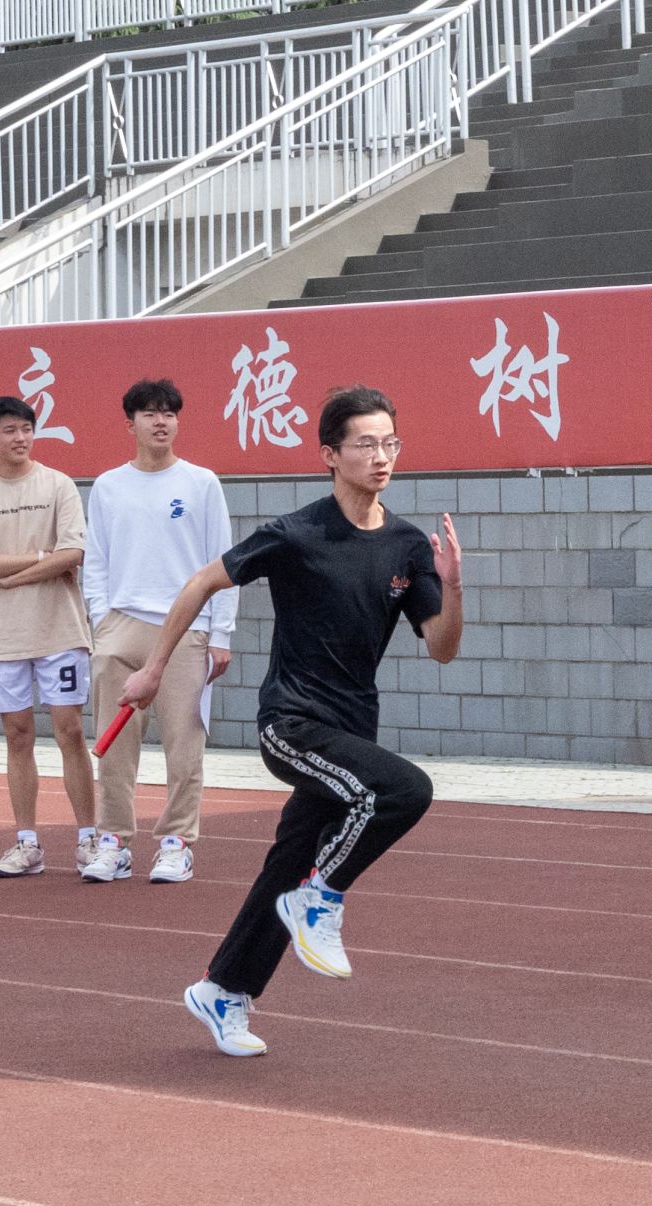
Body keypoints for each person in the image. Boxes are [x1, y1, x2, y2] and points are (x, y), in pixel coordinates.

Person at [118, 385, 464, 1057]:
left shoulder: (407, 546)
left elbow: (443, 647)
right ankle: (321, 898)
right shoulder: (296, 533)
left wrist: (451, 586)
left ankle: (224, 989)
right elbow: (201, 583)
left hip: (350, 731)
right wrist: (155, 668)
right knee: (405, 790)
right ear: (330, 454)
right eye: (366, 444)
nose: (381, 456)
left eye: (390, 442)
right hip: (292, 724)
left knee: (289, 861)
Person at [80, 378, 237, 885]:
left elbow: (223, 562)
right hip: (121, 625)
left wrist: (220, 633)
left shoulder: (201, 483)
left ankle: (176, 842)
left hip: (187, 629)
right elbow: (96, 560)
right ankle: (113, 841)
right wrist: (102, 620)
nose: (161, 421)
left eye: (169, 412)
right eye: (149, 413)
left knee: (184, 745)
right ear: (130, 424)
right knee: (115, 745)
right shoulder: (108, 486)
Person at [0, 395, 101, 878]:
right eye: (10, 431)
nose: (21, 438)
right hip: (0, 636)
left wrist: (15, 574)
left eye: (26, 428)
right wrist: (40, 558)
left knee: (70, 730)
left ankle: (89, 839)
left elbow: (73, 553)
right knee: (17, 735)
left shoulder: (58, 485)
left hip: (59, 628)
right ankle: (27, 844)